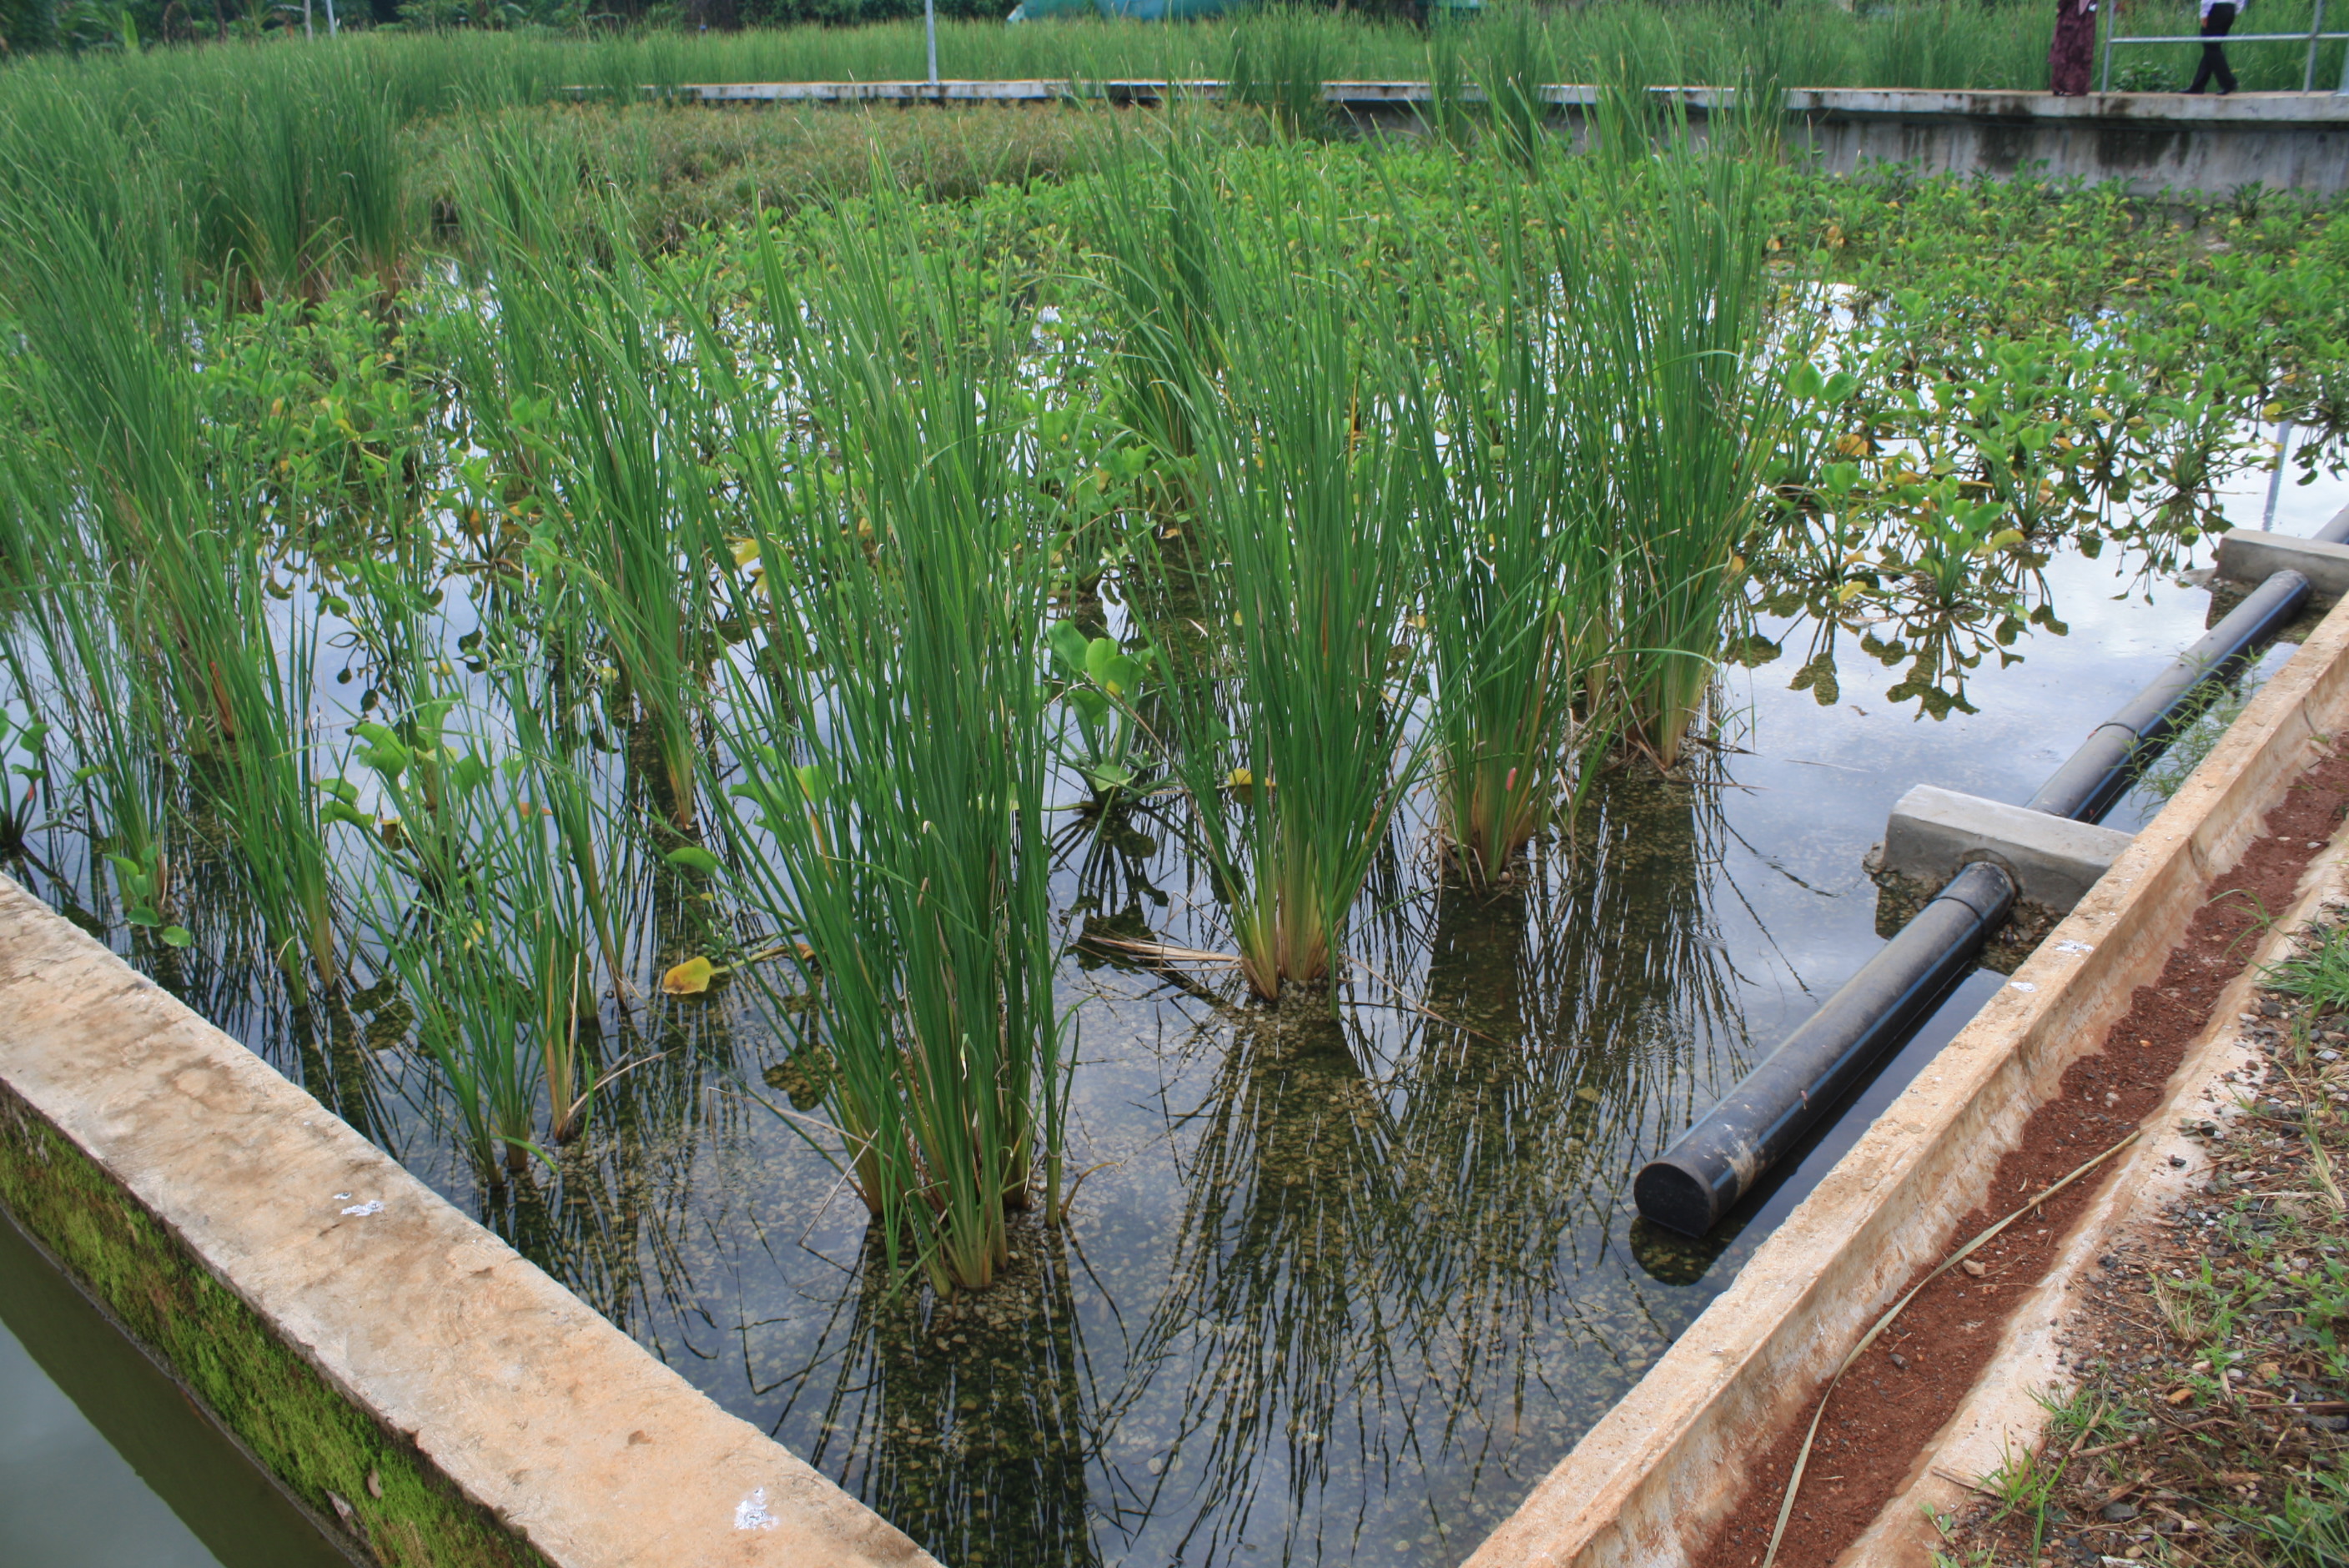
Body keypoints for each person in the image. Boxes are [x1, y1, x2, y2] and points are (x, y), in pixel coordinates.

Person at [2189, 0, 2243, 93]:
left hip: (2216, 8)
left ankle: (2229, 82)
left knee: (2211, 46)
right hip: (2230, 8)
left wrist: (2204, 13)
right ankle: (2198, 85)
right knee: (2212, 48)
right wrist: (2236, 9)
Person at [2050, 0, 2098, 95]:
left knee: (2073, 50)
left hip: (2074, 19)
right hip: (2078, 19)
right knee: (2076, 50)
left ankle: (2070, 86)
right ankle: (2071, 87)